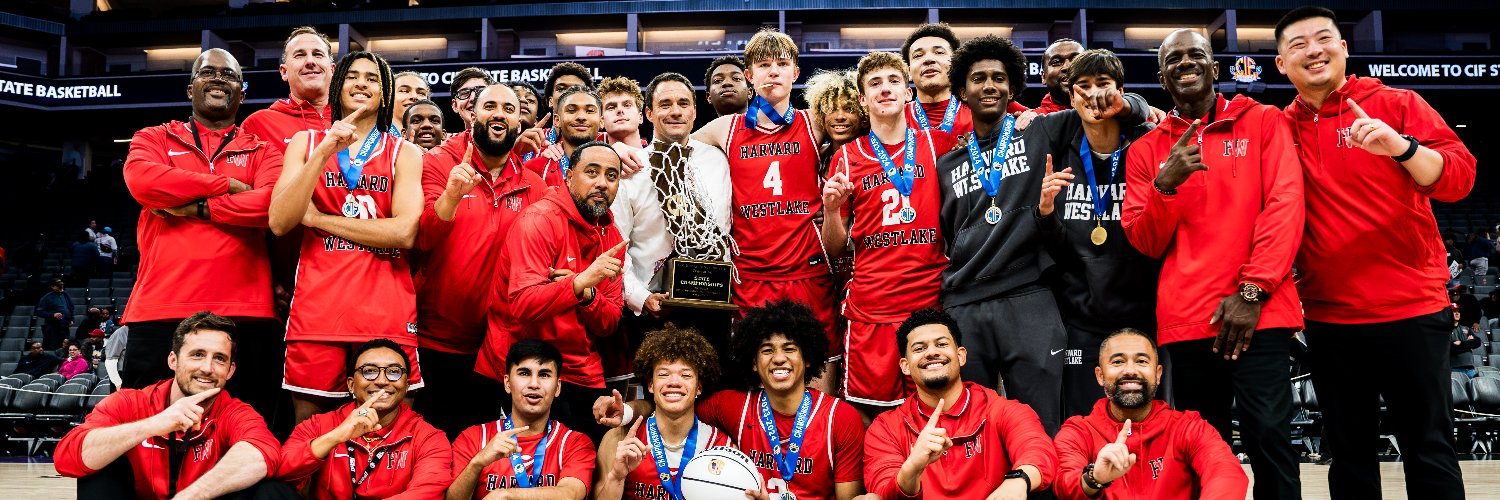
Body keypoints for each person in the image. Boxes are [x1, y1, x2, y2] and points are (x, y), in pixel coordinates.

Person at [1275, 6, 1477, 499]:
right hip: (1331, 319)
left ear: (1345, 49)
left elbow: (1459, 178)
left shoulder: (1398, 103)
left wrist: (1401, 148)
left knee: (1429, 449)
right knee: (1349, 454)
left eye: (1325, 39)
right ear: (1281, 64)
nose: (1314, 50)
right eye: (1297, 45)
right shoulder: (1279, 129)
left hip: (1412, 309)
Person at [1121, 29, 1304, 500]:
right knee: (1207, 451)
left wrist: (1252, 291)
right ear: (1162, 78)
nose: (1186, 63)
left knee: (1271, 438)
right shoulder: (1144, 152)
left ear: (1214, 68)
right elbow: (1145, 240)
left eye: (1195, 54)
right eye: (1174, 59)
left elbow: (1284, 206)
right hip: (1188, 320)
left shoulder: (1263, 121)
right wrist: (1165, 186)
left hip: (1258, 312)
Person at [936, 35, 1146, 434]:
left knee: (1042, 425)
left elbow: (1116, 108)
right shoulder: (947, 163)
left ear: (1013, 87)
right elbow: (948, 233)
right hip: (965, 300)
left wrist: (1132, 101)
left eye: (999, 77)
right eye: (978, 78)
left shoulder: (1041, 130)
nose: (989, 86)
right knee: (970, 428)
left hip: (1029, 296)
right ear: (961, 90)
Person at [121, 49, 286, 432]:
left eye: (228, 75)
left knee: (248, 430)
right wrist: (226, 185)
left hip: (247, 308)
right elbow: (144, 181)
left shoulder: (264, 150)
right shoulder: (154, 137)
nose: (218, 79)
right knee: (146, 429)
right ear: (190, 87)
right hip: (162, 305)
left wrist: (196, 209)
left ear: (241, 93)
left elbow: (272, 205)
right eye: (207, 72)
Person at [268, 51, 424, 424]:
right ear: (338, 86)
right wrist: (324, 153)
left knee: (390, 429)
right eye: (353, 76)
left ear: (384, 94)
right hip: (318, 310)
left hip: (386, 311)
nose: (361, 83)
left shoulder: (405, 153)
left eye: (372, 78)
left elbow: (403, 232)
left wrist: (319, 218)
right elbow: (280, 220)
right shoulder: (305, 143)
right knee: (309, 433)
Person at [596, 299, 869, 499]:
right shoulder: (733, 407)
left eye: (789, 349)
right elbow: (674, 405)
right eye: (766, 350)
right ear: (753, 362)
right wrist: (630, 412)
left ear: (808, 357)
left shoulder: (839, 418)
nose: (778, 358)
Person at [692, 29, 840, 363]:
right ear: (749, 75)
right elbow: (666, 150)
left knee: (820, 363)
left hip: (808, 268)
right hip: (751, 273)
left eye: (782, 63)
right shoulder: (725, 128)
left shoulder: (815, 122)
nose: (773, 71)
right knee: (758, 372)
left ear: (795, 73)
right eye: (763, 64)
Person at [822, 51, 956, 413]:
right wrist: (831, 209)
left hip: (928, 304)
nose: (885, 89)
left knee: (936, 412)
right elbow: (835, 248)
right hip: (872, 309)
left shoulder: (938, 145)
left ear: (908, 92)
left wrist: (1027, 118)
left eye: (894, 81)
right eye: (875, 84)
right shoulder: (847, 157)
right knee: (870, 416)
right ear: (863, 100)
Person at [1031, 49, 1160, 418]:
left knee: (1145, 418)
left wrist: (1137, 105)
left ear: (1119, 91)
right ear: (1070, 98)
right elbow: (1057, 249)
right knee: (1083, 420)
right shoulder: (1057, 143)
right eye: (1083, 87)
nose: (1094, 95)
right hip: (1081, 318)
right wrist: (1045, 213)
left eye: (1103, 85)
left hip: (1143, 311)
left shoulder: (1145, 142)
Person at [413, 83, 545, 438]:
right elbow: (423, 237)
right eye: (489, 106)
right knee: (435, 444)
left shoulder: (534, 185)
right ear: (472, 115)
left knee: (484, 448)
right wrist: (452, 195)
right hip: (437, 338)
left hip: (499, 345)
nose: (498, 113)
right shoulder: (439, 163)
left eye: (508, 108)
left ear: (519, 121)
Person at [55, 312, 293, 499]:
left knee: (271, 490)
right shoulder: (129, 401)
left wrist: (192, 496)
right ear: (173, 360)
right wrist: (154, 424)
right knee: (99, 468)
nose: (208, 368)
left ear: (230, 371)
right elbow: (68, 457)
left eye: (219, 358)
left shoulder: (235, 412)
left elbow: (264, 453)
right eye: (197, 354)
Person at [483, 141, 626, 442]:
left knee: (590, 466)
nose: (602, 182)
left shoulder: (612, 235)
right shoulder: (539, 220)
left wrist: (587, 293)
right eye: (592, 172)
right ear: (569, 176)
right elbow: (521, 303)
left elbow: (609, 322)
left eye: (611, 176)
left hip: (582, 369)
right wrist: (578, 283)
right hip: (525, 365)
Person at [610, 72, 734, 372]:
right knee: (660, 402)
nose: (675, 111)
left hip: (713, 304)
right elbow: (616, 246)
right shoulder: (630, 168)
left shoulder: (719, 159)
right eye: (664, 104)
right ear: (649, 113)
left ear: (694, 111)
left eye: (683, 103)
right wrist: (641, 297)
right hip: (656, 309)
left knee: (712, 398)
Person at [864, 308, 1054, 499]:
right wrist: (912, 468)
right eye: (919, 348)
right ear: (905, 366)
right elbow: (882, 491)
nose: (931, 353)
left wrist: (1018, 481)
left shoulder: (1001, 410)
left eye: (941, 344)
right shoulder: (885, 428)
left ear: (961, 356)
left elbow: (1037, 449)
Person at [1052, 329, 1248, 500]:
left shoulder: (1188, 427)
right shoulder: (1078, 431)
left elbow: (1226, 474)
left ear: (1158, 374)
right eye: (1118, 361)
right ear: (1100, 376)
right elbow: (1063, 485)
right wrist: (1095, 478)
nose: (1130, 370)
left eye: (1141, 361)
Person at [277, 339, 452, 499]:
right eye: (369, 371)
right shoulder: (318, 425)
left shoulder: (429, 437)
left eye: (393, 372)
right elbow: (282, 472)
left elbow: (426, 492)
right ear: (351, 384)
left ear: (406, 386)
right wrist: (337, 435)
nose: (382, 381)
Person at [593, 326, 733, 500]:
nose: (674, 382)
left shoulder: (722, 447)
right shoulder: (619, 440)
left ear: (699, 387)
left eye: (686, 375)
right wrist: (617, 477)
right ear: (651, 385)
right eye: (663, 374)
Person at [448, 340, 597, 500]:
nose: (534, 384)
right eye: (524, 373)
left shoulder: (575, 443)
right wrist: (476, 463)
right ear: (507, 383)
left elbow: (570, 495)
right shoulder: (473, 438)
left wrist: (506, 495)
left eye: (544, 375)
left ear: (558, 387)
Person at [242, 26, 335, 154]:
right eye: (300, 55)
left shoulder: (353, 120)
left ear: (332, 70)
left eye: (318, 54)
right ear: (284, 72)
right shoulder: (258, 125)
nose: (310, 61)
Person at [523, 88, 604, 189]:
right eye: (571, 111)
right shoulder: (532, 170)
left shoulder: (619, 168)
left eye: (590, 111)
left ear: (601, 121)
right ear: (557, 121)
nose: (581, 117)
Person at [1035, 39, 1084, 114]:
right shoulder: (1031, 122)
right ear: (1043, 77)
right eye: (1056, 62)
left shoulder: (1106, 117)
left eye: (1076, 60)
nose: (1067, 67)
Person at [598, 76, 646, 147]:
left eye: (627, 105)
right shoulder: (585, 156)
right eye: (611, 107)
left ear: (640, 117)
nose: (620, 110)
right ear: (602, 121)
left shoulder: (660, 156)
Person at [449, 67, 493, 134]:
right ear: (455, 105)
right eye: (465, 93)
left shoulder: (512, 142)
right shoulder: (448, 144)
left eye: (480, 91)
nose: (473, 98)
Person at [36, 278, 74, 349]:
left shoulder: (65, 295)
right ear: (52, 287)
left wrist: (72, 319)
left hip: (65, 325)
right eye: (58, 286)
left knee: (65, 347)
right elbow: (39, 312)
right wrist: (53, 315)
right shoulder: (47, 298)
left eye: (61, 285)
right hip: (53, 327)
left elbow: (71, 308)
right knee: (53, 346)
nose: (61, 287)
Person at [1450, 306, 1482, 379]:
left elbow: (1477, 342)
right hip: (1455, 369)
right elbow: (1450, 347)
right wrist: (1468, 343)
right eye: (1454, 311)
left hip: (1470, 368)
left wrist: (1461, 343)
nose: (1457, 313)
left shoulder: (1465, 328)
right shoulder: (1445, 330)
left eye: (1458, 311)